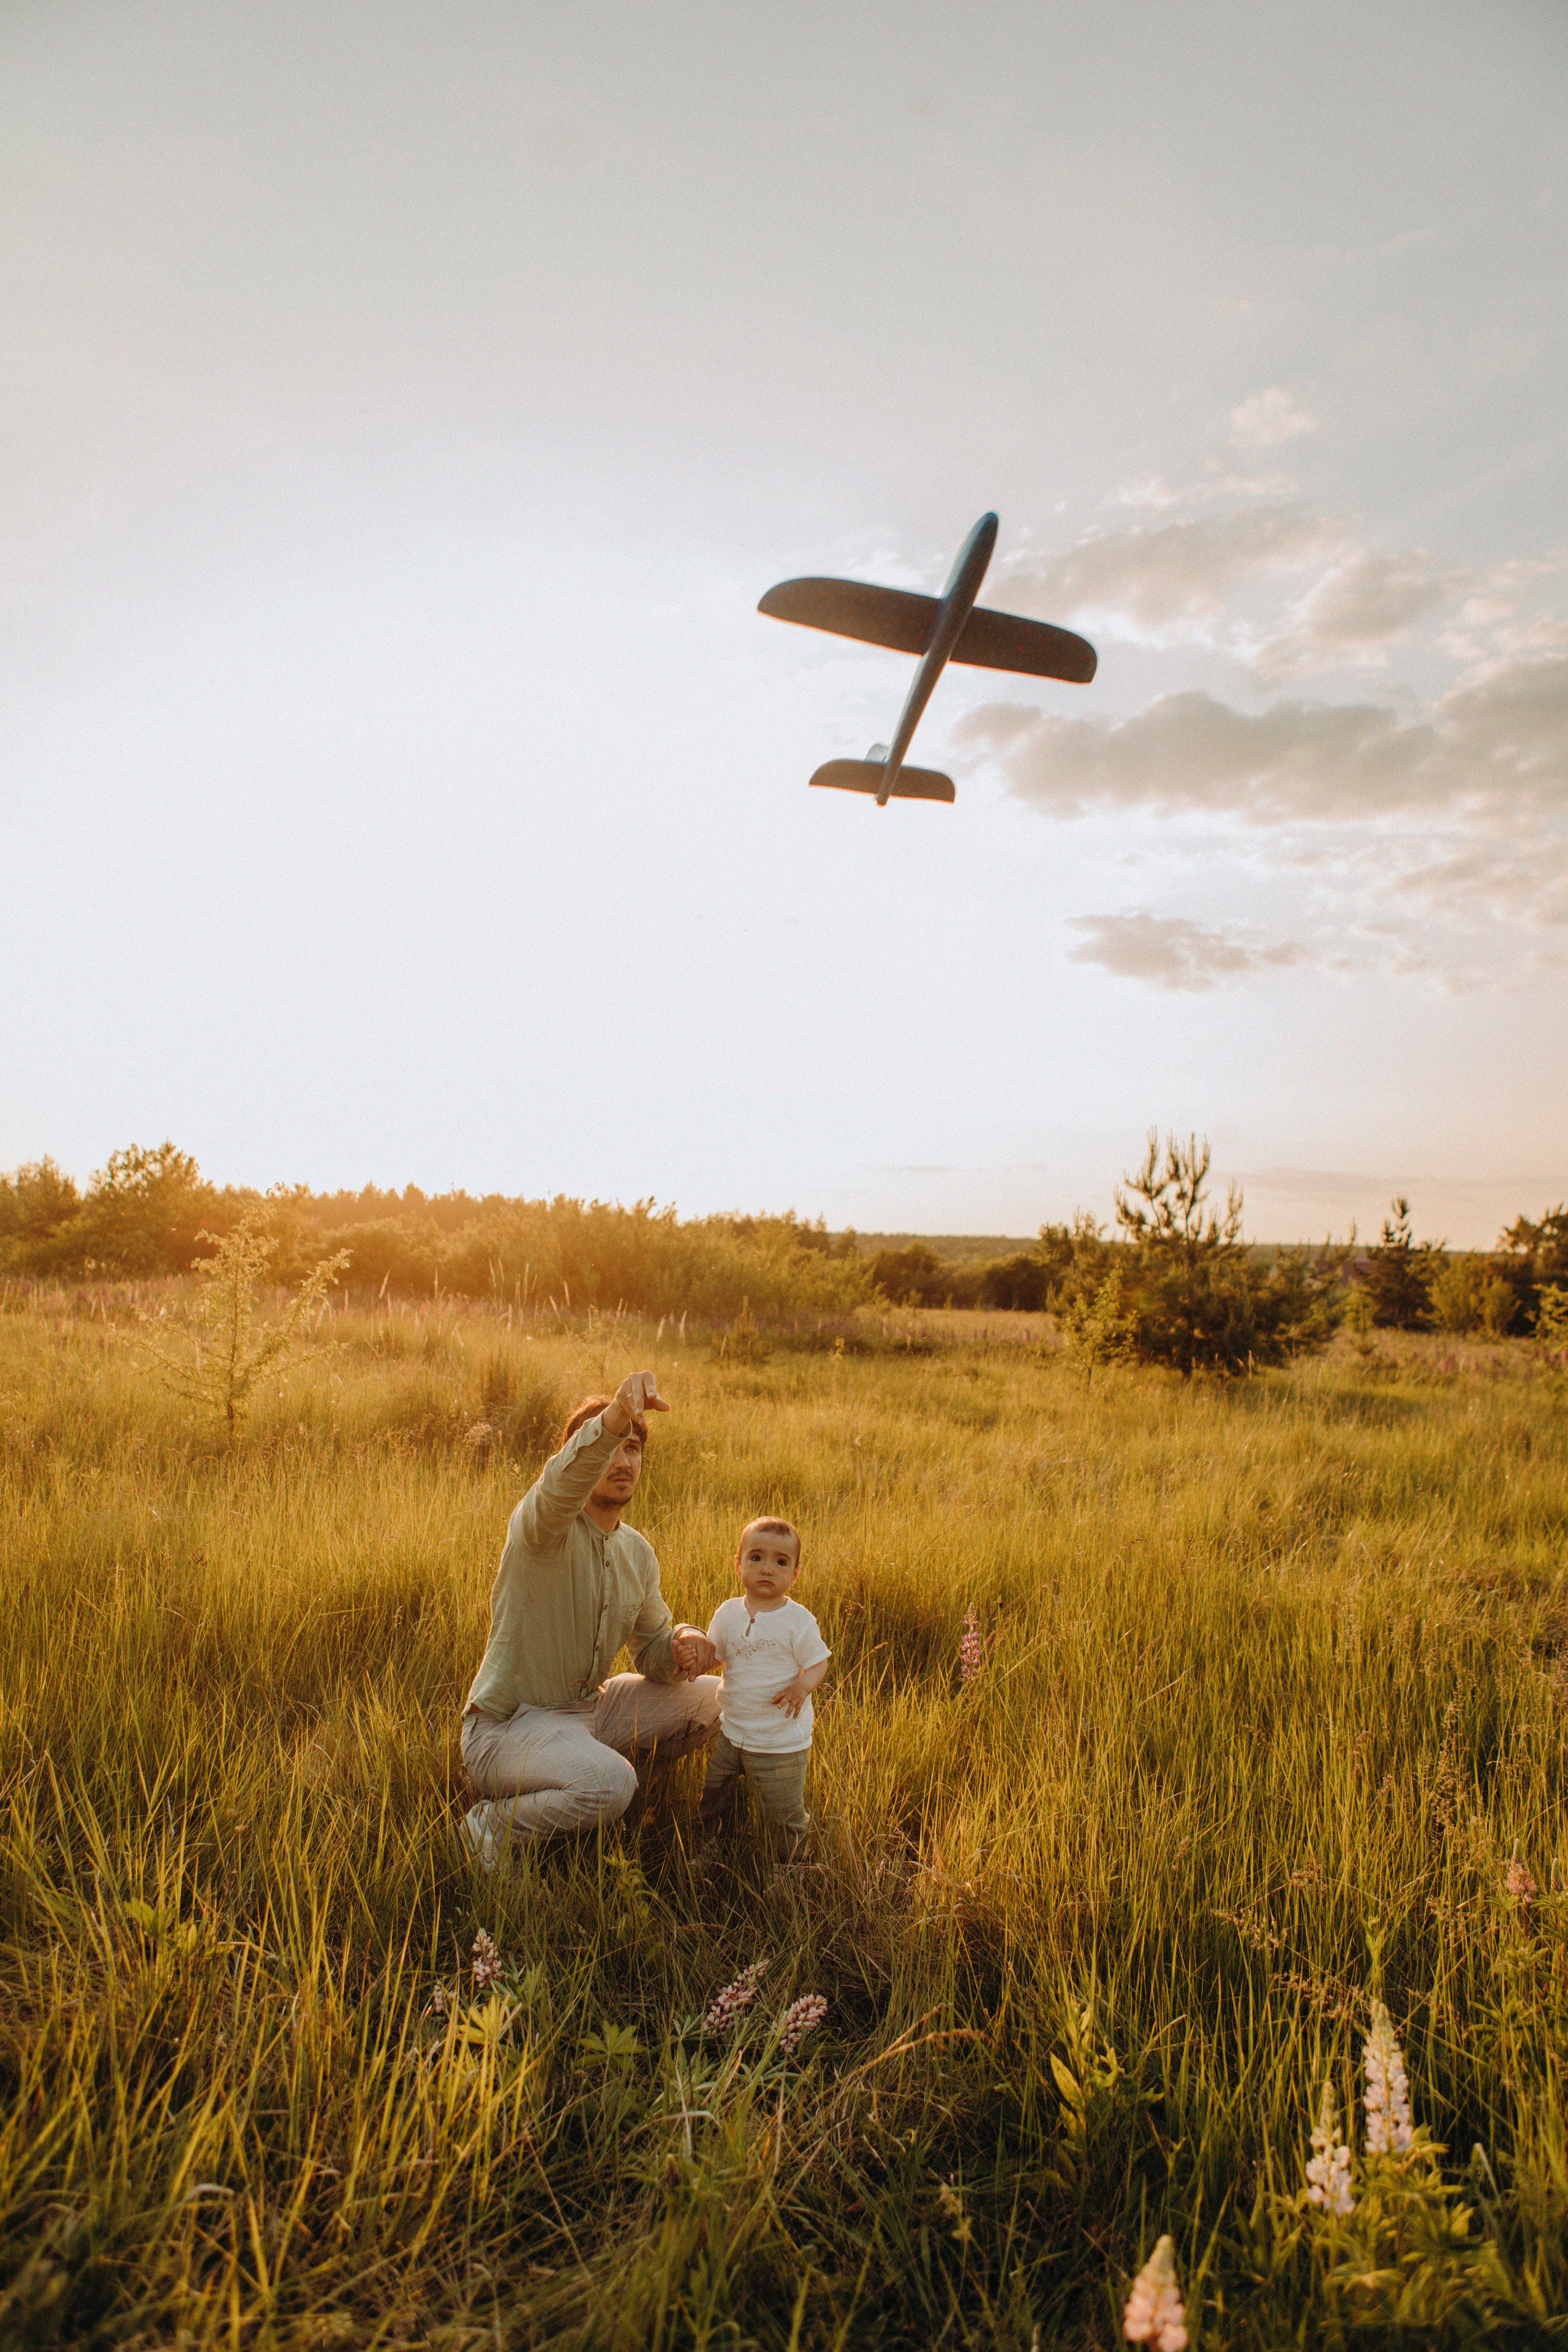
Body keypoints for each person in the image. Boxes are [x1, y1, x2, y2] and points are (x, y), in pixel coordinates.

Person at [460, 1368, 719, 1866]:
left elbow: (652, 1647)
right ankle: (490, 1825)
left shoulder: (637, 1553)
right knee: (609, 1782)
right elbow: (562, 1482)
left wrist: (685, 1640)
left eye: (634, 1449)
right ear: (582, 1455)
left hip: (590, 1714)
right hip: (507, 1729)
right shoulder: (542, 1527)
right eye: (612, 1446)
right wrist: (617, 1416)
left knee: (717, 1701)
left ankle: (604, 1789)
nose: (623, 1460)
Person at [698, 1516, 831, 1855]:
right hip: (733, 1733)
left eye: (781, 1562)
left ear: (795, 1574)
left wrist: (802, 1687)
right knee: (717, 1794)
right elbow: (716, 1656)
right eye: (756, 1558)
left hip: (779, 1745)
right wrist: (695, 1657)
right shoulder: (728, 1613)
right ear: (739, 1565)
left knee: (783, 1815)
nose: (767, 1569)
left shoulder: (797, 1621)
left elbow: (819, 1662)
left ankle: (790, 1869)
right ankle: (718, 1845)